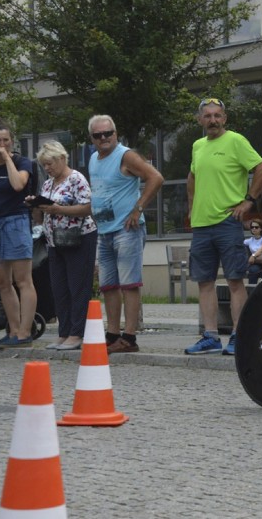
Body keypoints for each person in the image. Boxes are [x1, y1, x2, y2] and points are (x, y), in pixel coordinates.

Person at [184, 97, 262, 356]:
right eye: (207, 116)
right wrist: (191, 209)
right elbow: (192, 176)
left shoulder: (236, 141)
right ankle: (210, 336)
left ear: (225, 118)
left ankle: (238, 335)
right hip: (201, 225)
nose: (212, 120)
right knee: (205, 282)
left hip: (227, 222)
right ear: (200, 120)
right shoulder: (198, 145)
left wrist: (249, 201)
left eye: (217, 115)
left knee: (235, 281)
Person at [88, 115, 164, 354]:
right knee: (108, 285)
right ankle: (112, 334)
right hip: (104, 231)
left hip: (126, 229)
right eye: (98, 135)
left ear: (116, 133)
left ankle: (129, 337)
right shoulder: (93, 159)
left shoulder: (125, 155)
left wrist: (138, 207)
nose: (104, 139)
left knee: (129, 284)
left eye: (108, 133)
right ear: (92, 138)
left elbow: (156, 177)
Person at [31, 141, 98, 351]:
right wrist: (36, 205)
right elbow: (42, 216)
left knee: (77, 287)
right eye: (44, 165)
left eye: (50, 163)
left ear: (62, 158)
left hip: (78, 238)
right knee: (59, 288)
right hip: (54, 241)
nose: (47, 169)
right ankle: (64, 332)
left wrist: (58, 209)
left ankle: (77, 333)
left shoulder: (76, 179)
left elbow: (88, 208)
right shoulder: (48, 183)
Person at [0, 124, 37, 348]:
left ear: (12, 142)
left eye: (6, 140)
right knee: (3, 281)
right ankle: (12, 330)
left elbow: (17, 184)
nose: (2, 145)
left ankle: (24, 332)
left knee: (23, 280)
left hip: (17, 222)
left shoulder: (23, 163)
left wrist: (7, 159)